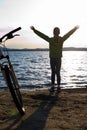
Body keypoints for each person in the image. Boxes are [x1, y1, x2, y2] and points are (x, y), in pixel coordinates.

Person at [30, 25, 79, 95]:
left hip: (58, 58)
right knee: (54, 72)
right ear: (54, 32)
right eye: (55, 32)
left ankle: (58, 86)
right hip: (53, 58)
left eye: (57, 32)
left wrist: (74, 29)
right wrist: (35, 30)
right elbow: (42, 35)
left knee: (57, 72)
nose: (56, 33)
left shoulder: (60, 39)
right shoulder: (52, 39)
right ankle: (53, 86)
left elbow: (68, 34)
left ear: (58, 32)